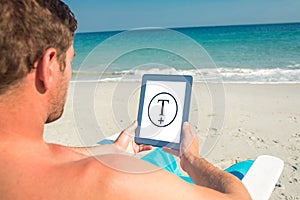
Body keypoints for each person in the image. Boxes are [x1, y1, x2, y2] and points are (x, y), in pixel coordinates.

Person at [0, 0, 251, 199]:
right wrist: (191, 159)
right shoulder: (110, 180)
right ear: (49, 65)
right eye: (71, 60)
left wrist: (115, 149)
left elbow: (47, 154)